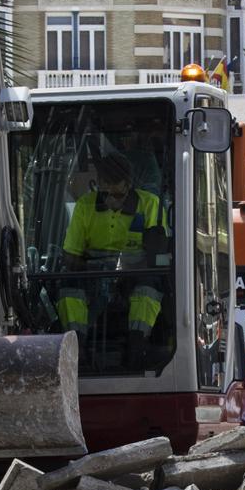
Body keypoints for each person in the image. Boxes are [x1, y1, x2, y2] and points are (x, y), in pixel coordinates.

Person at [56, 148, 167, 361]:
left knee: (148, 287)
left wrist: (129, 267)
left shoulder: (150, 204)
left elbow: (157, 254)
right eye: (106, 194)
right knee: (68, 288)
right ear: (99, 184)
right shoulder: (85, 206)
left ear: (129, 185)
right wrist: (90, 269)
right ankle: (77, 348)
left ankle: (138, 344)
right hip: (93, 273)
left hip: (134, 272)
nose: (112, 201)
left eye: (118, 195)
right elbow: (71, 256)